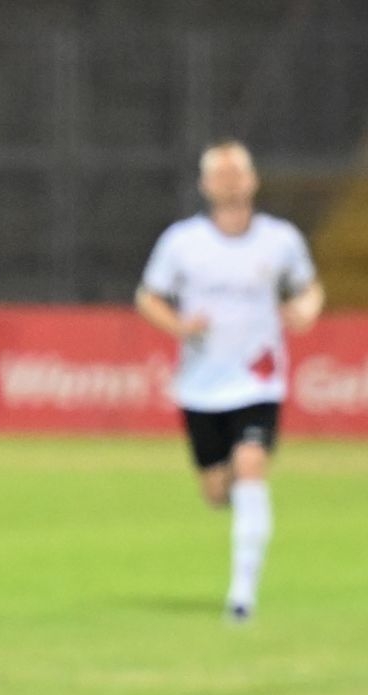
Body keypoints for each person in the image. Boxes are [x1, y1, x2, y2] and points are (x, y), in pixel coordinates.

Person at [136, 140, 324, 622]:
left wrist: (305, 309)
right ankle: (237, 500)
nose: (230, 183)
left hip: (259, 380)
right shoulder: (182, 242)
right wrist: (181, 326)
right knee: (218, 491)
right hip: (201, 386)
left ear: (252, 180)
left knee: (251, 462)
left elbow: (309, 288)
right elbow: (148, 297)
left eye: (237, 173)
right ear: (205, 185)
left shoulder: (279, 239)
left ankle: (242, 597)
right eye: (220, 175)